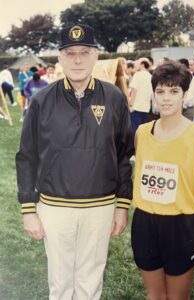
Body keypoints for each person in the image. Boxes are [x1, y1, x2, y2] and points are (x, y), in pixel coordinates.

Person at [16, 24, 133, 300]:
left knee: (90, 281)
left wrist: (122, 206)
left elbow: (124, 154)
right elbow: (26, 156)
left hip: (100, 206)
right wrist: (28, 209)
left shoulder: (114, 97)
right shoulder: (41, 100)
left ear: (95, 56)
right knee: (60, 282)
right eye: (70, 53)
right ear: (60, 58)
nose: (77, 59)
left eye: (84, 52)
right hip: (54, 207)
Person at [131, 61, 194, 300]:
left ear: (185, 94)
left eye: (174, 91)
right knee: (155, 295)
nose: (166, 98)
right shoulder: (142, 132)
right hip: (145, 223)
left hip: (182, 225)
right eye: (160, 91)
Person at [128, 57, 153, 139]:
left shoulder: (138, 75)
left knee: (135, 132)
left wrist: (130, 105)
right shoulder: (150, 76)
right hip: (146, 108)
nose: (135, 65)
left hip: (136, 107)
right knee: (143, 132)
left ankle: (135, 149)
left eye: (137, 63)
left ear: (142, 65)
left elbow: (133, 91)